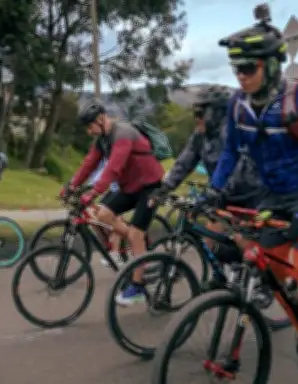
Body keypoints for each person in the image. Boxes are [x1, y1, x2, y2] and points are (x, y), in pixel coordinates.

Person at [212, 18, 298, 373]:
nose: (240, 75)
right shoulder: (238, 105)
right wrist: (213, 191)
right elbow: (229, 154)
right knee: (271, 271)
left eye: (247, 67)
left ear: (270, 66)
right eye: (235, 67)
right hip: (273, 196)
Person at [153, 86, 265, 287]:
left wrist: (218, 193)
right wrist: (165, 186)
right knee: (210, 240)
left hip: (249, 194)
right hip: (222, 195)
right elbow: (185, 161)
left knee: (242, 240)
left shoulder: (230, 132)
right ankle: (222, 276)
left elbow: (240, 169)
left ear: (217, 112)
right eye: (194, 112)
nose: (196, 118)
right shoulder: (201, 135)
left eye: (200, 113)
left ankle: (261, 281)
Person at [67, 102, 164, 306]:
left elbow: (114, 167)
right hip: (130, 187)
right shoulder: (102, 140)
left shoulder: (123, 133)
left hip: (149, 186)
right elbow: (89, 163)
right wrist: (72, 186)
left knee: (136, 233)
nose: (88, 130)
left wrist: (94, 191)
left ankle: (137, 287)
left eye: (90, 125)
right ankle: (133, 242)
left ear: (102, 119)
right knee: (103, 215)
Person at [86, 159, 122, 267]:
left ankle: (115, 254)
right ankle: (109, 245)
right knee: (91, 215)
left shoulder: (117, 147)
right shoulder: (102, 149)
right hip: (110, 188)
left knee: (113, 216)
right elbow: (91, 169)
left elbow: (108, 171)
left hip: (122, 187)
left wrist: (94, 189)